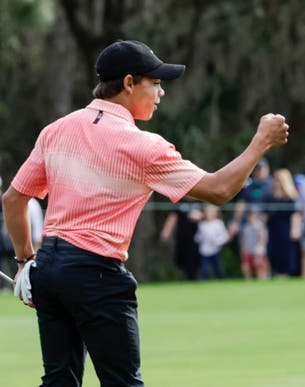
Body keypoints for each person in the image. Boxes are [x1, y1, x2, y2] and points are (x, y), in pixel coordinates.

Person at [2, 39, 288, 386]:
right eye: (155, 83)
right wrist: (261, 142)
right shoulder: (143, 146)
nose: (160, 93)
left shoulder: (57, 130)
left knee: (59, 380)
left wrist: (24, 264)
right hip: (97, 274)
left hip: (49, 268)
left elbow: (14, 200)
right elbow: (218, 190)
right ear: (128, 84)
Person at [264, 168, 302, 277]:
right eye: (275, 179)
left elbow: (296, 214)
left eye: (279, 179)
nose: (277, 182)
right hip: (272, 229)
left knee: (286, 254)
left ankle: (285, 275)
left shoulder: (291, 197)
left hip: (286, 229)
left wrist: (295, 229)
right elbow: (265, 215)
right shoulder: (269, 197)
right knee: (273, 253)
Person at [160, 198, 203, 280]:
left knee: (196, 260)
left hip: (198, 239)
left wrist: (200, 216)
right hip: (182, 237)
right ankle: (187, 278)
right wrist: (166, 231)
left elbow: (210, 214)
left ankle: (196, 278)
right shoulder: (180, 202)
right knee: (183, 260)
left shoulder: (200, 202)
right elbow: (172, 217)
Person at [194, 203, 230, 280]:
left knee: (217, 268)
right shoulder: (202, 224)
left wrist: (216, 241)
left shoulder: (218, 224)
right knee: (204, 268)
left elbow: (225, 237)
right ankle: (204, 282)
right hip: (204, 251)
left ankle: (222, 280)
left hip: (215, 250)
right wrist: (199, 239)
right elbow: (198, 236)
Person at [239, 205, 269, 280]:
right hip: (248, 250)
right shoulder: (245, 227)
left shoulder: (259, 226)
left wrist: (258, 248)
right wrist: (242, 250)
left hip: (258, 251)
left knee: (260, 267)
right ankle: (248, 282)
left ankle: (262, 281)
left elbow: (263, 238)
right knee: (246, 267)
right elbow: (243, 240)